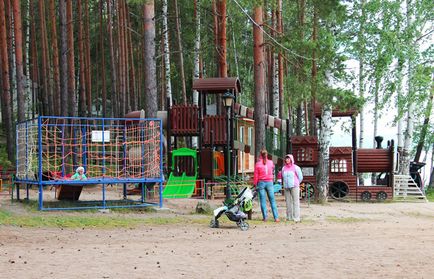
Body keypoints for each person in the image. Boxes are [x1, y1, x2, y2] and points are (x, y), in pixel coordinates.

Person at [253, 148, 279, 222]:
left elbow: (256, 176)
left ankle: (265, 217)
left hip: (261, 182)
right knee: (272, 200)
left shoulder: (257, 164)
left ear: (260, 155)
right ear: (267, 155)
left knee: (263, 200)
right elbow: (273, 170)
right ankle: (276, 217)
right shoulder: (271, 163)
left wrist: (255, 184)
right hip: (269, 182)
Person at [280, 154, 303, 222]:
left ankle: (296, 217)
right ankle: (289, 217)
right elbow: (282, 177)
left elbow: (300, 177)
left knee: (296, 202)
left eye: (288, 158)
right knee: (288, 202)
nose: (287, 160)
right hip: (286, 187)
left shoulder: (296, 167)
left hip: (294, 187)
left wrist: (296, 183)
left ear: (291, 159)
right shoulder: (283, 168)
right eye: (286, 158)